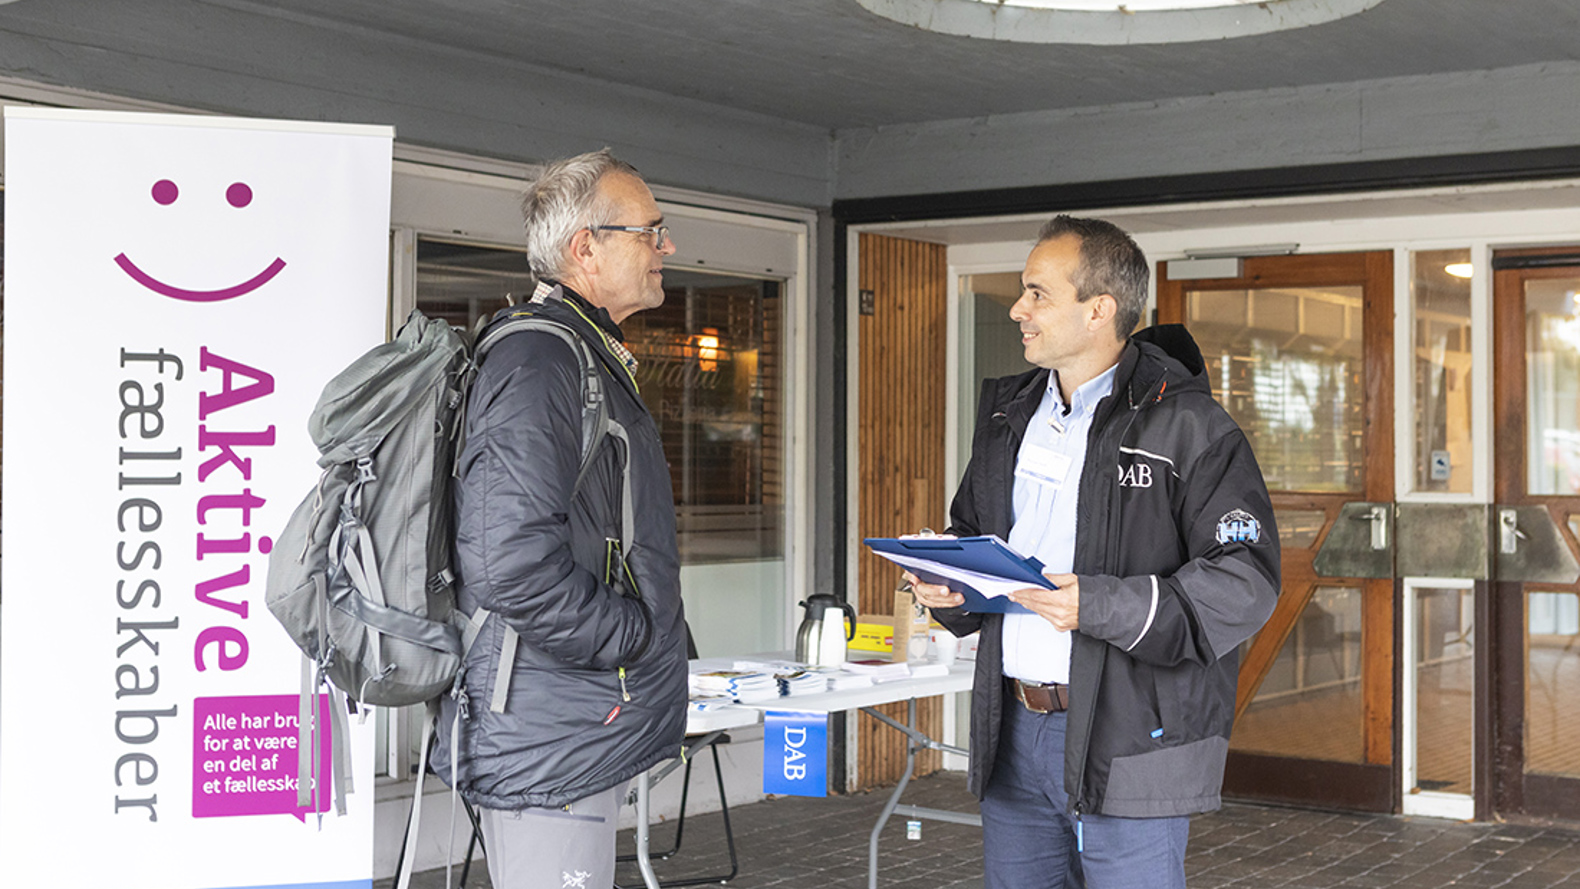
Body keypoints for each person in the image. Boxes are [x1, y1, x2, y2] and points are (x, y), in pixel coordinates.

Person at [910, 215, 1280, 889]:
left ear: (1099, 309)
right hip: (1012, 733)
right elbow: (976, 534)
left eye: (1037, 293)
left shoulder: (1191, 424)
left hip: (1135, 737)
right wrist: (951, 587)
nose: (1018, 309)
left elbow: (1245, 578)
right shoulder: (1006, 416)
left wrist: (1101, 603)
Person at [433, 149, 689, 889]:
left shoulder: (576, 353)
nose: (665, 246)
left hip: (565, 716)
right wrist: (633, 637)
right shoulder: (541, 362)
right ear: (587, 247)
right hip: (552, 730)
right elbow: (509, 561)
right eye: (651, 230)